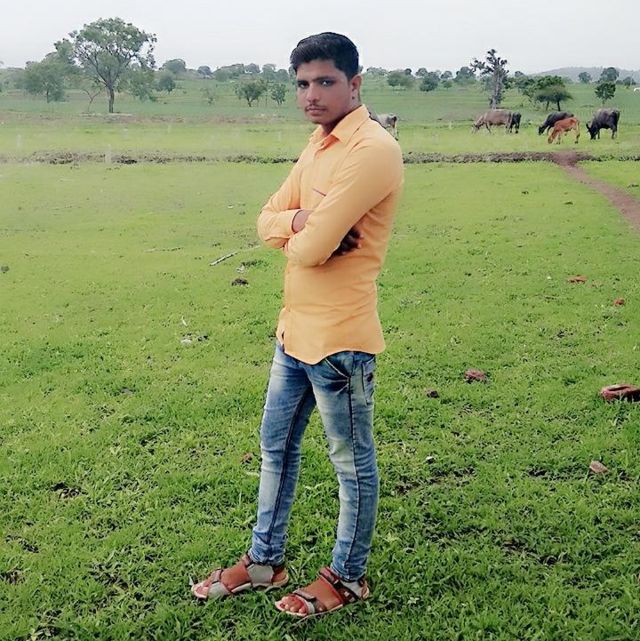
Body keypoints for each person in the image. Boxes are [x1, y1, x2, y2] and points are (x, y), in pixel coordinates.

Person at [192, 32, 403, 619]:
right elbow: (266, 220)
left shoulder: (372, 150)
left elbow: (308, 252)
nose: (311, 94)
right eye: (303, 83)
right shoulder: (318, 144)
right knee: (276, 448)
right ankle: (265, 562)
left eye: (325, 81)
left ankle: (347, 577)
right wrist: (304, 220)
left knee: (350, 462)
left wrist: (300, 231)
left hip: (341, 340)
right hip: (294, 332)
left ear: (354, 83)